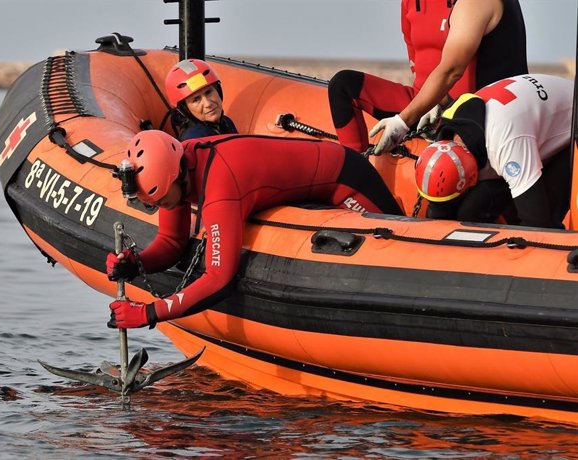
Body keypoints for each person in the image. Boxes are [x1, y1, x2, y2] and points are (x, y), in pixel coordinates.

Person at [105, 131, 404, 329]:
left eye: (160, 200)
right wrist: (135, 263)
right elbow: (172, 241)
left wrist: (149, 314)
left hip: (347, 179)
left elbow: (219, 279)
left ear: (175, 175)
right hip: (317, 182)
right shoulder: (180, 166)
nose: (161, 207)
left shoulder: (220, 186)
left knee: (397, 248)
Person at [328, 0, 527, 155]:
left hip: (473, 114)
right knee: (343, 85)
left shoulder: (475, 4)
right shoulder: (410, 3)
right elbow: (417, 62)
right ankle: (354, 170)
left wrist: (402, 122)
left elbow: (452, 70)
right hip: (428, 106)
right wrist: (430, 103)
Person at [414, 73, 573, 229]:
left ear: (474, 177)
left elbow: (537, 223)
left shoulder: (506, 144)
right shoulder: (448, 129)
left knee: (545, 217)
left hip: (569, 129)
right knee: (470, 211)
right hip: (530, 121)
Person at [165, 59, 238, 141]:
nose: (208, 104)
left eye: (208, 92)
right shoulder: (194, 140)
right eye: (196, 100)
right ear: (185, 109)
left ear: (218, 90)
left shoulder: (227, 122)